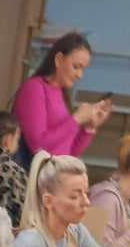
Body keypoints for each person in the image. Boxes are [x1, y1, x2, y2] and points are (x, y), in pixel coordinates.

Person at [13, 32, 110, 160]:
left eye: (83, 69)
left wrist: (89, 127)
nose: (80, 75)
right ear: (58, 59)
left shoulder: (61, 94)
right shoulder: (35, 89)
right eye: (76, 67)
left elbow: (68, 153)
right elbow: (38, 146)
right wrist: (76, 120)